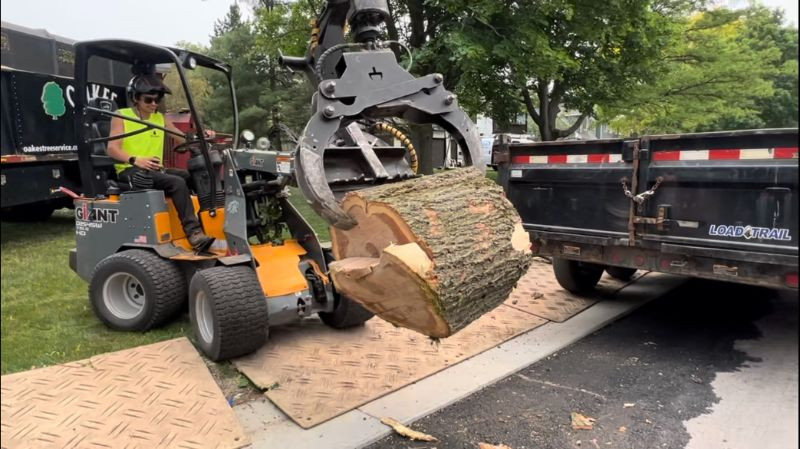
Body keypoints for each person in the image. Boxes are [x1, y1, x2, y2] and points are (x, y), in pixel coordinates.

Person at [107, 73, 213, 250]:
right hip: (131, 171)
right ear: (135, 98)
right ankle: (194, 234)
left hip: (155, 170)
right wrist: (135, 160)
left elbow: (182, 139)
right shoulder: (122, 116)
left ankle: (208, 222)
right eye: (149, 100)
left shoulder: (159, 118)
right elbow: (112, 148)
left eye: (157, 100)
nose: (154, 104)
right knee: (177, 183)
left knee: (193, 176)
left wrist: (203, 135)